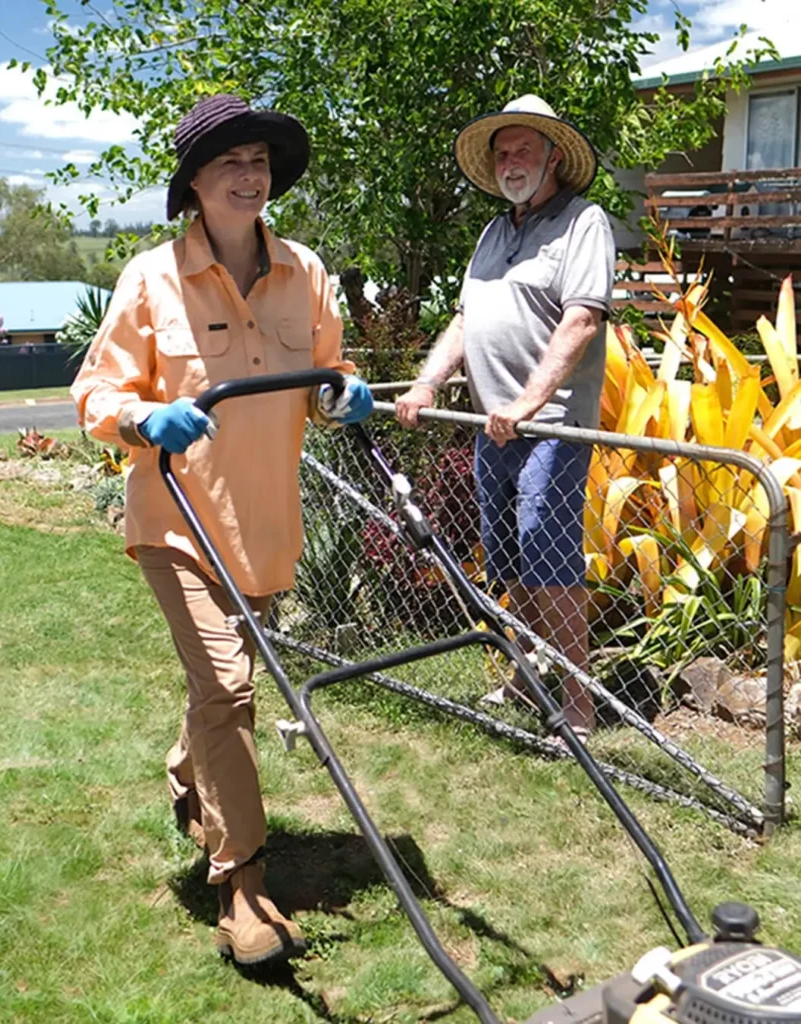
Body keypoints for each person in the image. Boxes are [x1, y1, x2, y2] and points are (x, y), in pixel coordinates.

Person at [70, 94, 373, 967]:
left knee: (218, 688)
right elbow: (96, 395)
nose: (251, 175)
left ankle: (184, 775)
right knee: (232, 690)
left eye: (260, 161)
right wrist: (143, 416)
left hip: (266, 528)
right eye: (231, 162)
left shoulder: (305, 273)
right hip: (176, 520)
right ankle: (242, 886)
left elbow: (328, 376)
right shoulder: (150, 279)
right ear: (194, 184)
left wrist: (339, 393)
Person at [395, 95, 615, 740]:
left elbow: (582, 319)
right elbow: (467, 319)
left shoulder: (583, 222)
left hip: (550, 425)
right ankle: (524, 675)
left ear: (553, 157)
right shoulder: (495, 232)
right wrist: (428, 381)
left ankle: (580, 700)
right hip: (494, 424)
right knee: (510, 558)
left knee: (549, 555)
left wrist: (530, 403)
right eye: (502, 152)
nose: (511, 161)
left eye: (524, 149)